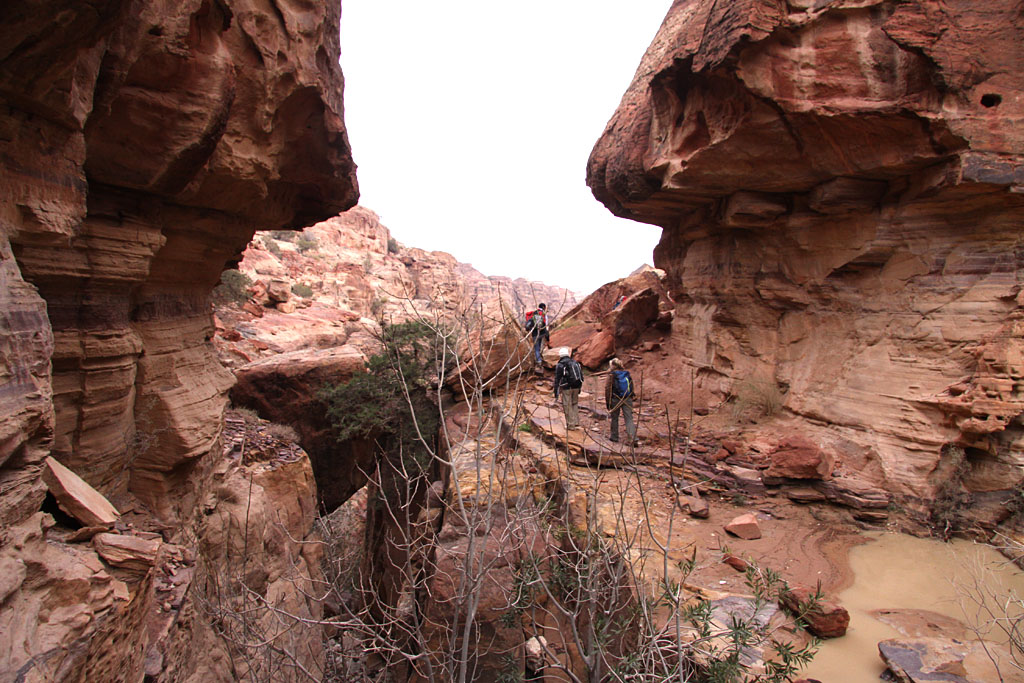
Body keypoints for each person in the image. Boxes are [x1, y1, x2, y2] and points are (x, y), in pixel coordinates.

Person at [604, 358, 635, 444]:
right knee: (629, 418)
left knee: (614, 418)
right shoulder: (626, 374)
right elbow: (632, 387)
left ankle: (614, 437)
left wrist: (608, 402)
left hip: (616, 399)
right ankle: (632, 438)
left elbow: (608, 389)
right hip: (627, 398)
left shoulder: (612, 375)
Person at [553, 347, 583, 430]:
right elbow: (580, 375)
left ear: (560, 355)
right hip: (576, 386)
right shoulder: (575, 362)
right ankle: (576, 422)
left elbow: (557, 379)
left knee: (567, 405)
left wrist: (556, 391)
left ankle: (570, 425)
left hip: (566, 387)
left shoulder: (560, 364)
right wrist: (579, 387)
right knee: (574, 403)